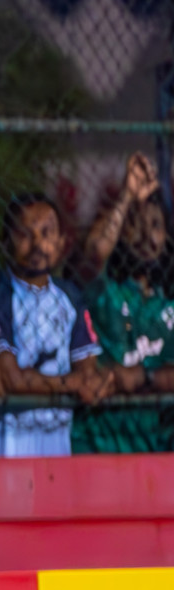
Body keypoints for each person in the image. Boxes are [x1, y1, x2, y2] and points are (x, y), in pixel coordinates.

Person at [0, 195, 114, 457]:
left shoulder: (70, 297)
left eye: (47, 233)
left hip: (56, 440)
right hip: (6, 441)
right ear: (5, 242)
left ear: (62, 243)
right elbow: (10, 378)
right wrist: (73, 384)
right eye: (25, 235)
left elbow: (87, 369)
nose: (38, 244)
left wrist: (96, 382)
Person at [71, 152, 174, 452]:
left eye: (155, 226)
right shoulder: (103, 291)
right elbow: (94, 253)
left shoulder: (168, 303)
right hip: (97, 443)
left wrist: (144, 377)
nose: (146, 236)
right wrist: (127, 195)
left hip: (154, 448)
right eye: (134, 225)